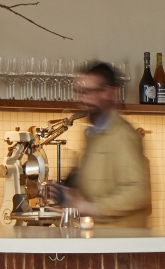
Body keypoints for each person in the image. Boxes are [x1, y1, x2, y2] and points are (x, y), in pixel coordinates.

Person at [43, 61, 151, 227]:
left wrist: (89, 208)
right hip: (103, 241)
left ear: (109, 92)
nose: (82, 99)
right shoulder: (94, 135)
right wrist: (65, 195)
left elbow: (137, 192)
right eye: (79, 92)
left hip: (123, 244)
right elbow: (94, 190)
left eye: (88, 92)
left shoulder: (122, 134)